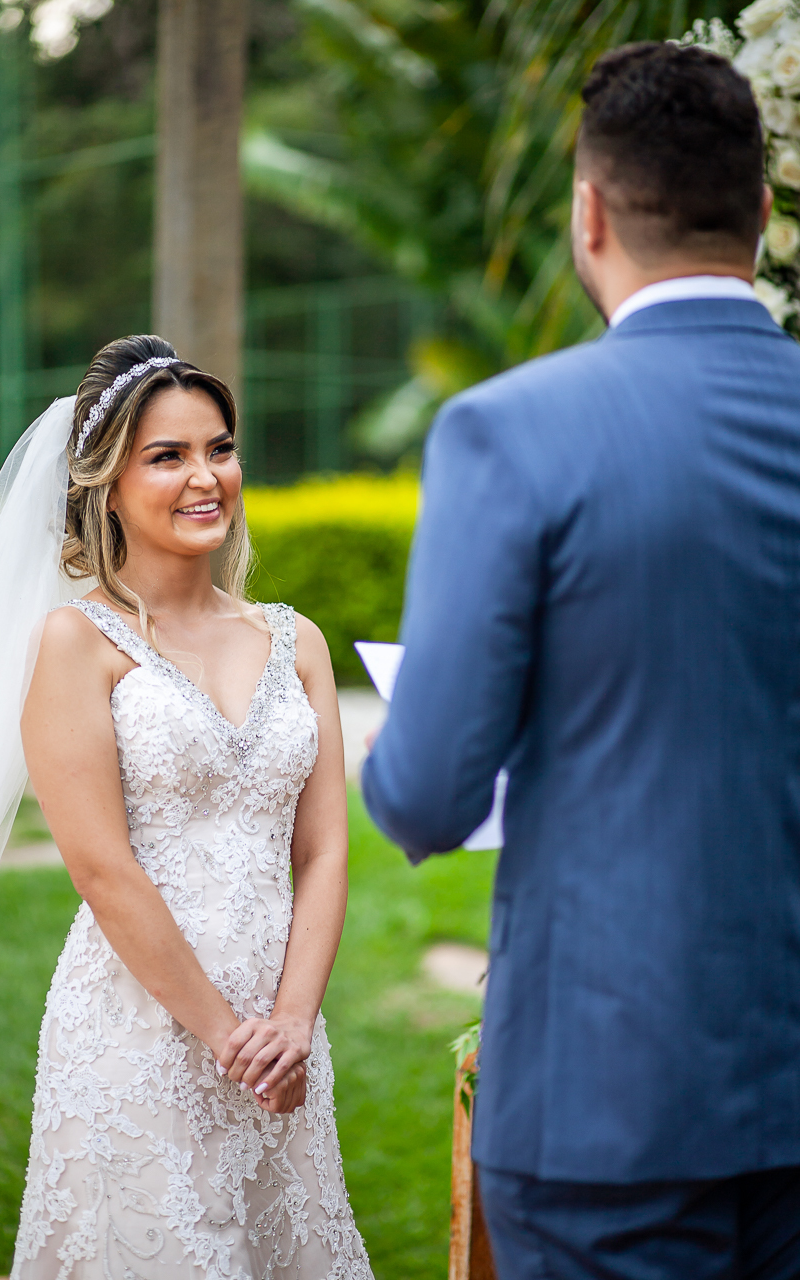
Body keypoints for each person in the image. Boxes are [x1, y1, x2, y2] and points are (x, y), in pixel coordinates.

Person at [362, 41, 800, 1279]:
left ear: (588, 211)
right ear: (761, 212)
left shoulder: (509, 433)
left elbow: (427, 790)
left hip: (609, 1094)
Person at [0, 335, 372, 1278]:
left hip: (282, 1032)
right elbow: (102, 869)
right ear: (106, 485)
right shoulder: (76, 644)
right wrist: (229, 1038)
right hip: (139, 1033)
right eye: (167, 456)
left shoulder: (296, 640)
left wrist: (291, 1024)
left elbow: (324, 851)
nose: (205, 477)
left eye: (219, 449)